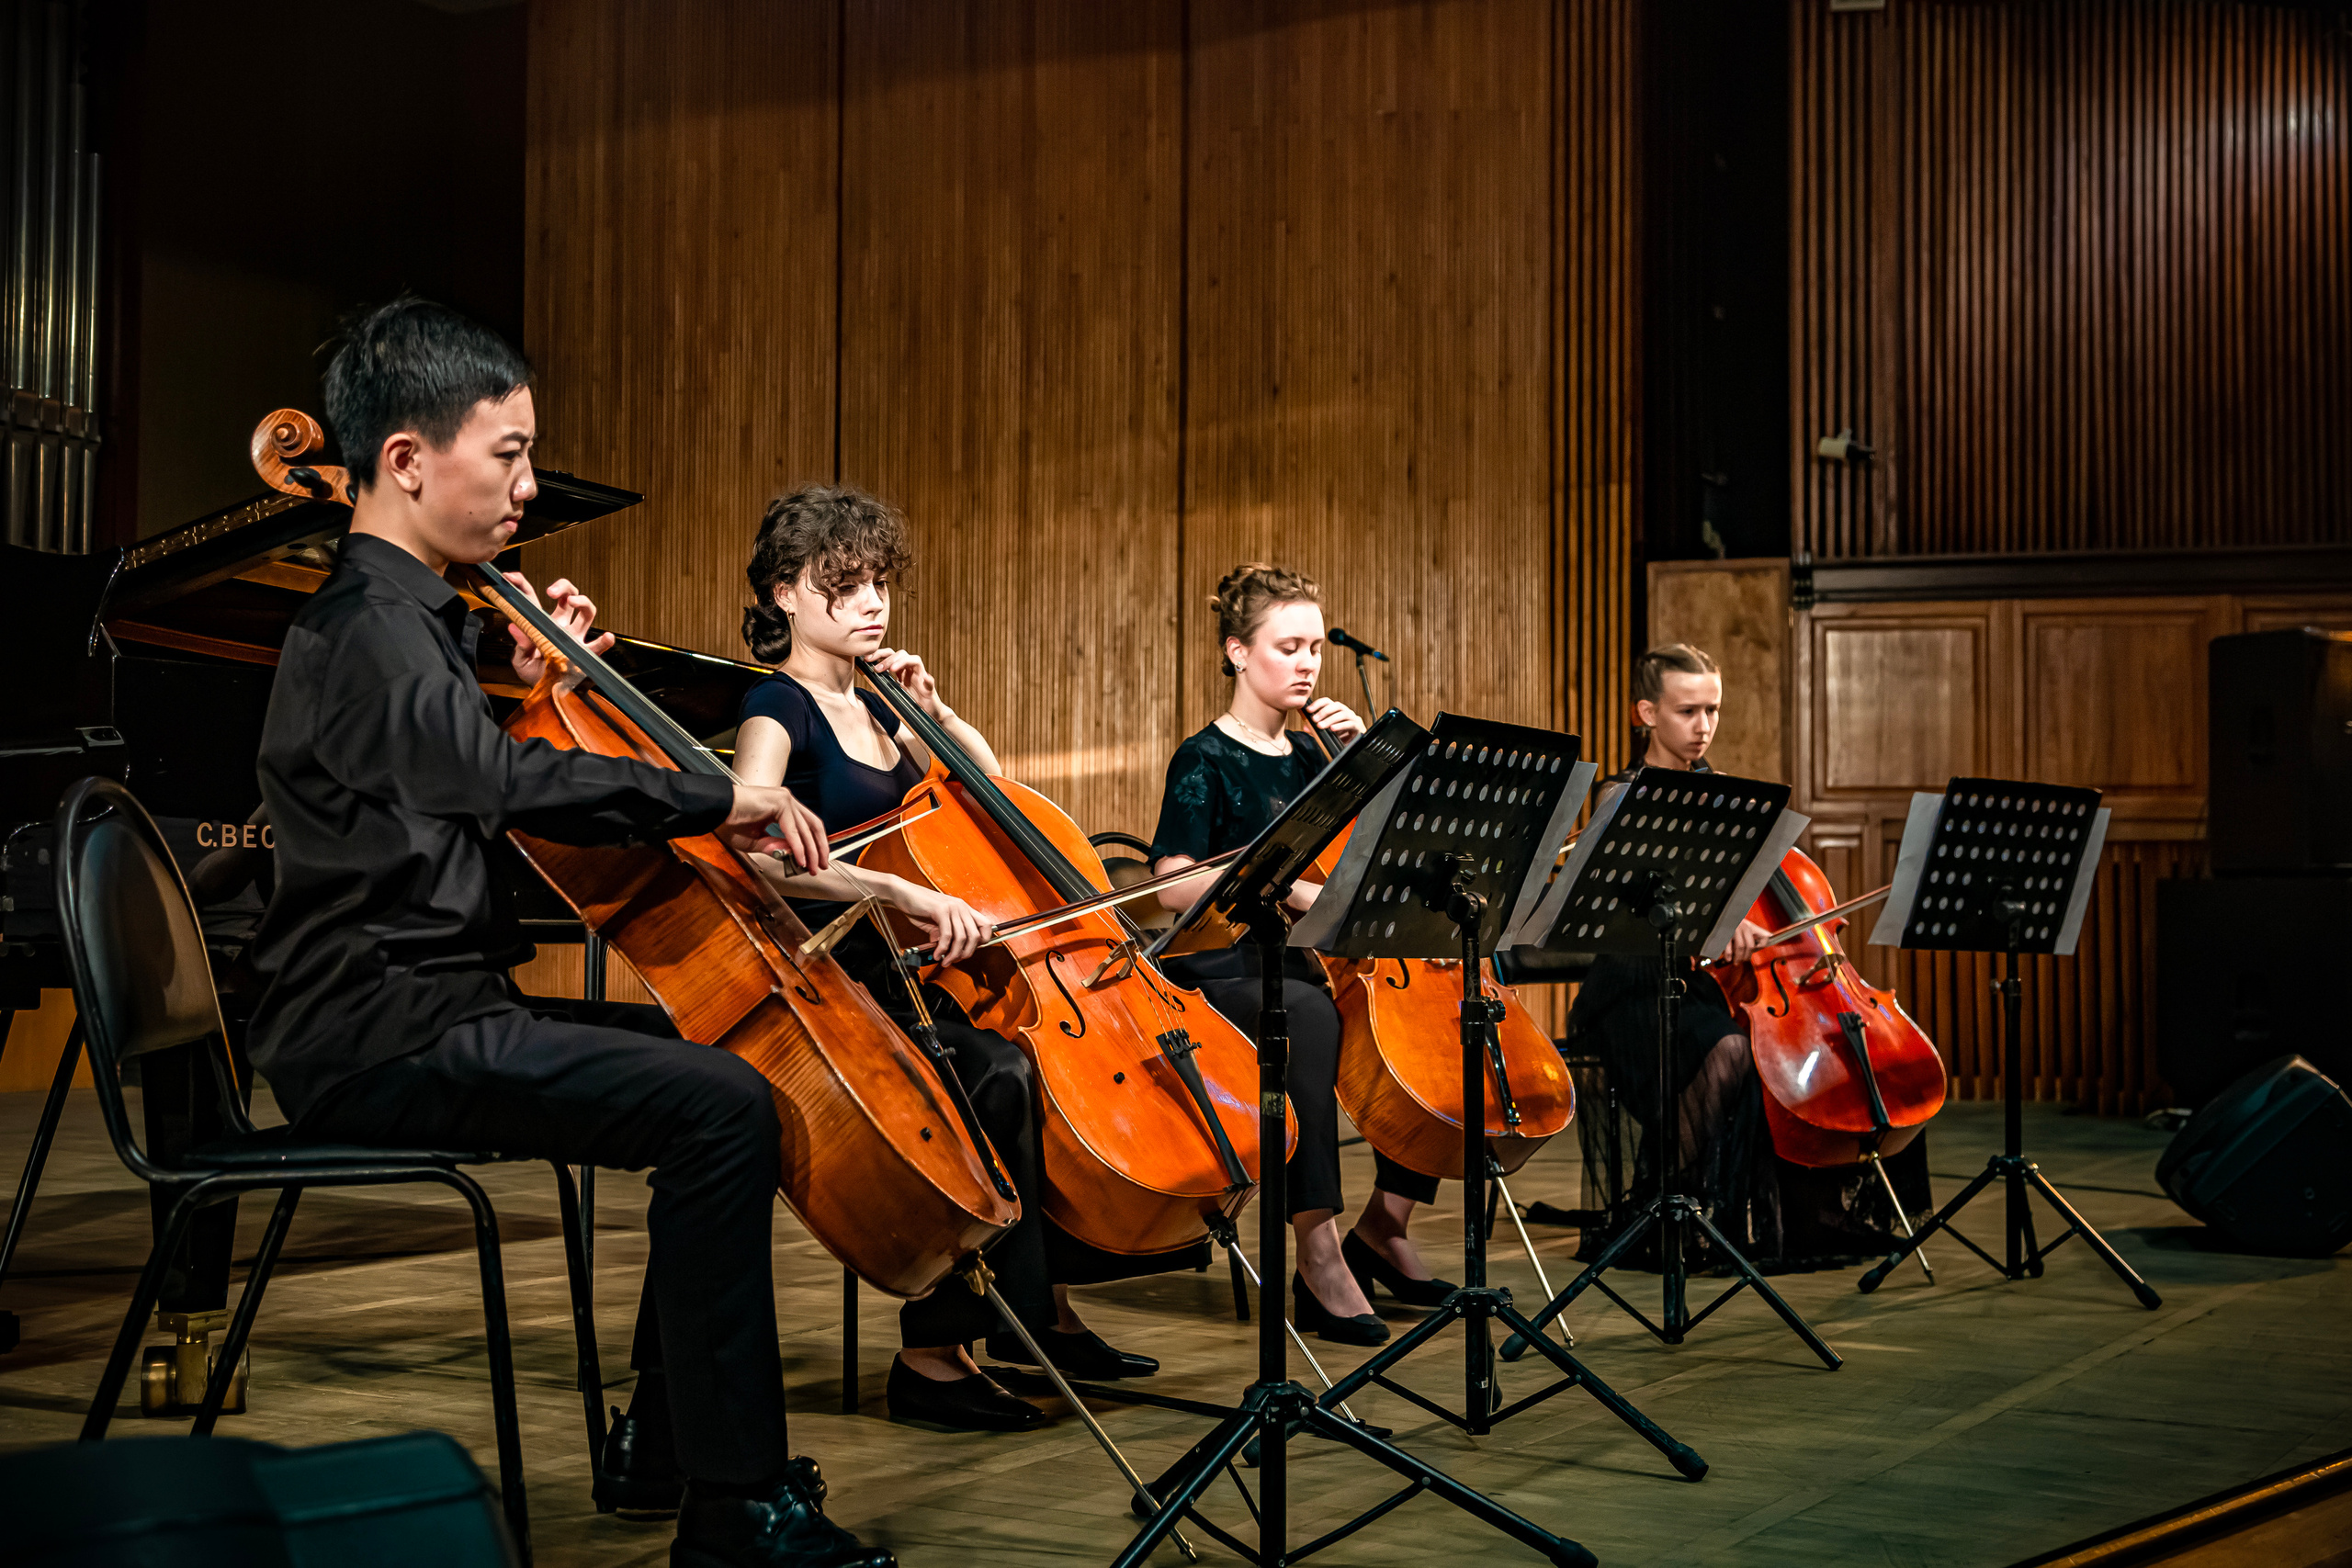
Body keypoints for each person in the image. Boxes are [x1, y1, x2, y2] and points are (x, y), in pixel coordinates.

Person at [245, 299, 892, 1568]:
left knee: (727, 1072)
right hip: (382, 1029)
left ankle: (676, 1441)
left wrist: (540, 689)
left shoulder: (411, 623)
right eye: (513, 452)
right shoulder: (371, 629)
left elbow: (465, 779)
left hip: (428, 1005)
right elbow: (496, 783)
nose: (531, 486)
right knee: (718, 1107)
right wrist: (721, 791)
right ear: (407, 460)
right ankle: (732, 1506)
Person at [731, 483, 1160, 1435]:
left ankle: (1021, 1316)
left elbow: (994, 799)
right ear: (782, 596)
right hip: (839, 988)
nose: (870, 602)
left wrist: (936, 712)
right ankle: (939, 1351)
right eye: (841, 585)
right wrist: (895, 892)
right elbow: (751, 843)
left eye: (878, 581)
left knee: (1030, 1068)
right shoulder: (776, 707)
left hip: (914, 983)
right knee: (998, 1073)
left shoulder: (886, 714)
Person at [1145, 563, 1453, 1348]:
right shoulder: (1204, 757)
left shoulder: (1320, 757)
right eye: (1289, 645)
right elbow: (1174, 886)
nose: (1309, 662)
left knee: (1437, 1022)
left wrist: (1367, 764)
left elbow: (1371, 860)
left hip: (1300, 957)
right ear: (1238, 653)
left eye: (1315, 644)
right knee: (1312, 1018)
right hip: (1219, 967)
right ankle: (1317, 1252)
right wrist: (1281, 887)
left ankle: (1387, 1221)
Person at [1566, 642, 1930, 1269]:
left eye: (1712, 710)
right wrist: (1708, 927)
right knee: (1730, 1050)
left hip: (1707, 983)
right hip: (1634, 984)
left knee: (1806, 1048)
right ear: (1645, 713)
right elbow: (1625, 918)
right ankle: (1666, 1200)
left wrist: (1728, 930)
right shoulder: (1619, 798)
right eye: (1687, 711)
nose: (1704, 726)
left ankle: (1810, 1213)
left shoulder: (1732, 800)